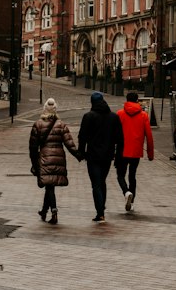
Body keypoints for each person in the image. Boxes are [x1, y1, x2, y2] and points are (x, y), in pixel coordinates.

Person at [29, 96, 79, 225]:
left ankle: (54, 211)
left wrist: (34, 163)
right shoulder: (61, 125)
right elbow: (69, 143)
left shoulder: (38, 124)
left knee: (49, 186)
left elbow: (33, 147)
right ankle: (44, 210)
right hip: (58, 157)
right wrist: (78, 155)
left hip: (45, 157)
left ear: (44, 108)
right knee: (49, 185)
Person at [77, 91, 121, 222]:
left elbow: (82, 137)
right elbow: (119, 138)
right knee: (102, 182)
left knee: (95, 184)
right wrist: (117, 155)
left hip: (93, 156)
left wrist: (81, 152)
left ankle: (100, 212)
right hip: (107, 155)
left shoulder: (88, 116)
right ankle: (101, 208)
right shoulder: (113, 117)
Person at [115, 90, 155, 212]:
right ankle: (131, 202)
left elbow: (114, 133)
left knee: (120, 175)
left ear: (126, 100)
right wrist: (150, 153)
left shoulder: (120, 114)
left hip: (122, 150)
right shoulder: (143, 115)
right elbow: (149, 135)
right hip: (136, 151)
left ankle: (126, 192)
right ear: (137, 100)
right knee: (132, 175)